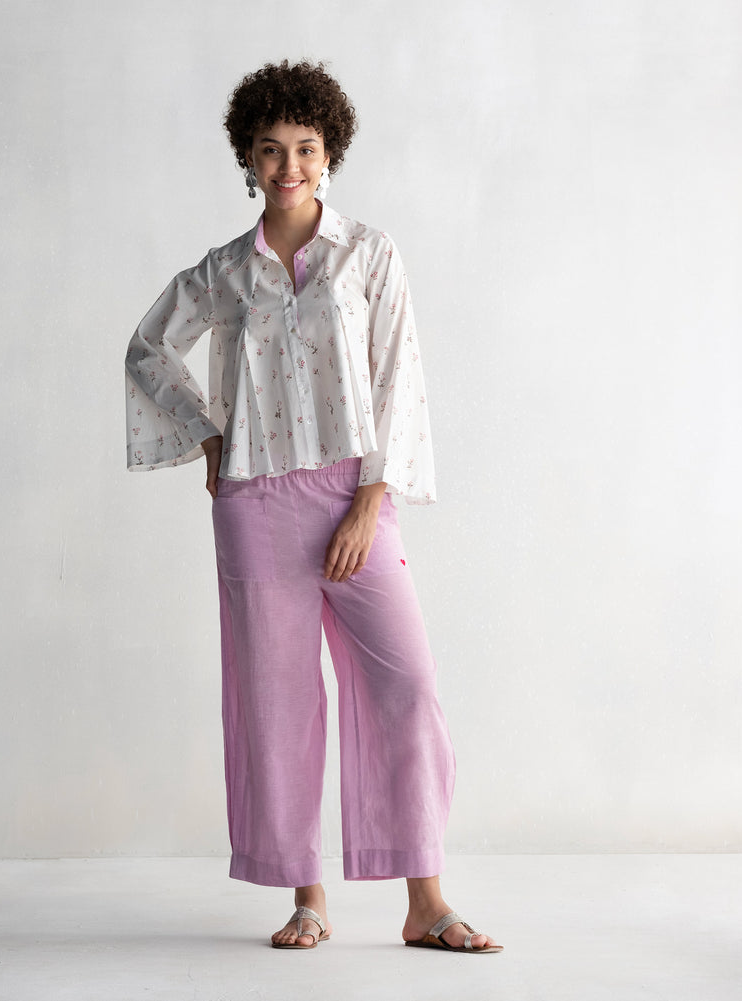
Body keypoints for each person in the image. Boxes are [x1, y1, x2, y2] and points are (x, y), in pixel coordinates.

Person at [125, 60, 502, 954]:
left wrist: (369, 502)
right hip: (255, 503)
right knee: (278, 702)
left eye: (305, 147)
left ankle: (424, 901)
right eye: (270, 149)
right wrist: (208, 436)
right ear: (247, 158)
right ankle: (308, 898)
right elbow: (148, 349)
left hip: (351, 495)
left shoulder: (368, 254)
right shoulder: (226, 271)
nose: (288, 166)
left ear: (330, 153)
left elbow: (399, 377)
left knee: (406, 686)